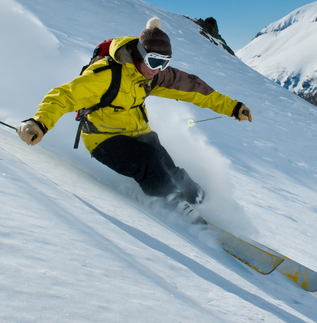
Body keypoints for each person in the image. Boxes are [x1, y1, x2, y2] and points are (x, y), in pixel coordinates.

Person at [16, 17, 252, 216]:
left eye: (164, 63)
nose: (157, 69)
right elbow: (63, 96)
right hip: (103, 139)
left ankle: (201, 200)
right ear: (139, 54)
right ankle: (173, 205)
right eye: (153, 61)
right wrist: (39, 123)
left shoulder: (152, 75)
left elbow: (193, 88)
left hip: (139, 133)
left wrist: (232, 107)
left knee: (167, 163)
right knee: (148, 160)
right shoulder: (106, 75)